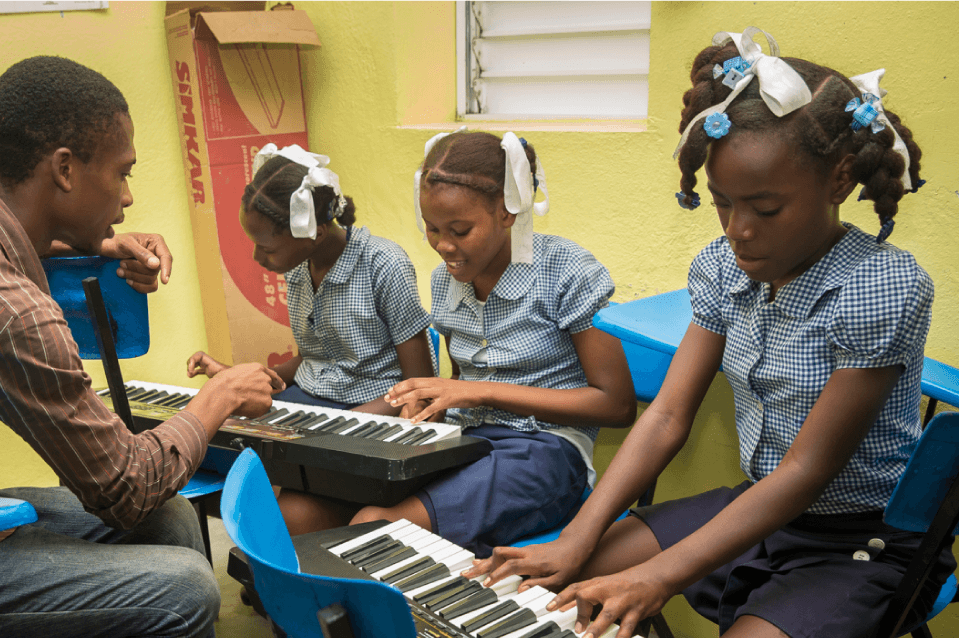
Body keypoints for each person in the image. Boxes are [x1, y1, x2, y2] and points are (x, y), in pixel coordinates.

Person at [466, 28, 955, 638]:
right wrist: (574, 538)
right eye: (723, 203)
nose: (739, 230)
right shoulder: (722, 270)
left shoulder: (880, 287)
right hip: (758, 508)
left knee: (639, 585)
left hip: (859, 538)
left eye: (765, 208)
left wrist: (659, 575)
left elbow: (807, 469)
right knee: (559, 584)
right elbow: (668, 415)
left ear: (840, 181)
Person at [0, 56, 284, 638]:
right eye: (122, 173)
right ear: (64, 169)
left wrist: (95, 243)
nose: (127, 198)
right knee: (181, 586)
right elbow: (123, 488)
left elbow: (26, 253)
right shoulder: (20, 315)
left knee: (173, 517)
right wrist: (220, 395)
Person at [378, 130, 637, 556]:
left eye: (460, 230)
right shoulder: (445, 280)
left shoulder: (567, 272)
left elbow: (616, 406)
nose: (444, 245)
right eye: (431, 228)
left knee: (382, 531)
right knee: (352, 511)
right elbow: (460, 380)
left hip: (546, 453)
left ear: (507, 212)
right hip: (466, 441)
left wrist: (478, 392)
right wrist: (430, 407)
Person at [185, 144, 435, 534]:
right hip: (317, 408)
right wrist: (240, 378)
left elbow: (421, 384)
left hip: (373, 412)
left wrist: (348, 422)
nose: (256, 258)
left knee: (292, 509)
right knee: (212, 432)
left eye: (266, 247)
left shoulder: (384, 265)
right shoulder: (301, 269)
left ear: (313, 232)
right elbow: (312, 358)